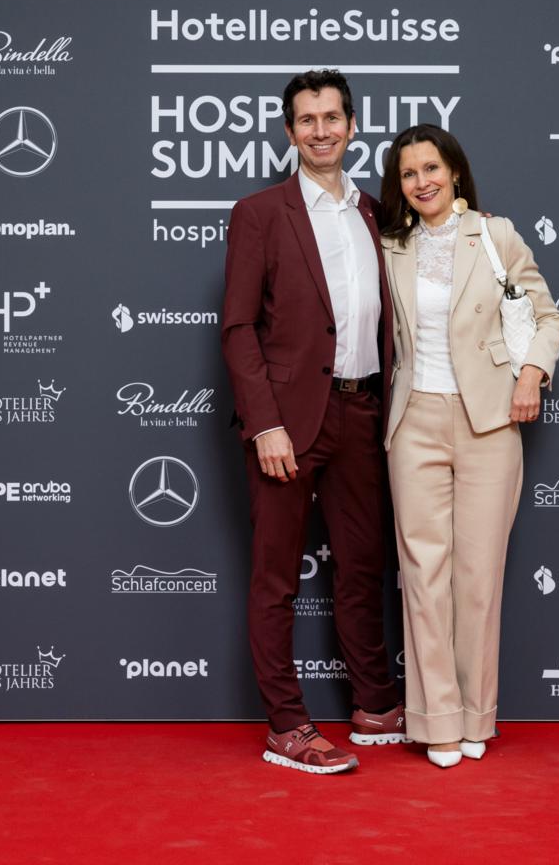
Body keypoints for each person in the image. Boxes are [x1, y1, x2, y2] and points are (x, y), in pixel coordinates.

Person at [220, 69, 404, 775]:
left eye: (332, 118)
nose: (321, 131)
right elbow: (239, 327)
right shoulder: (260, 213)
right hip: (288, 421)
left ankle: (375, 704)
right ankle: (287, 726)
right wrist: (264, 424)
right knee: (276, 578)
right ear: (289, 131)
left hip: (364, 412)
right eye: (307, 120)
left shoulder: (376, 212)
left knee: (363, 567)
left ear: (352, 126)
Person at [377, 124, 559, 768]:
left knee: (479, 577)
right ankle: (437, 721)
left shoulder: (495, 235)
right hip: (414, 422)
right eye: (408, 174)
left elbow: (547, 315)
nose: (422, 181)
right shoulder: (389, 246)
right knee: (424, 576)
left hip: (489, 422)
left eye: (431, 168)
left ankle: (477, 716)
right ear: (399, 186)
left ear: (454, 171)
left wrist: (532, 375)